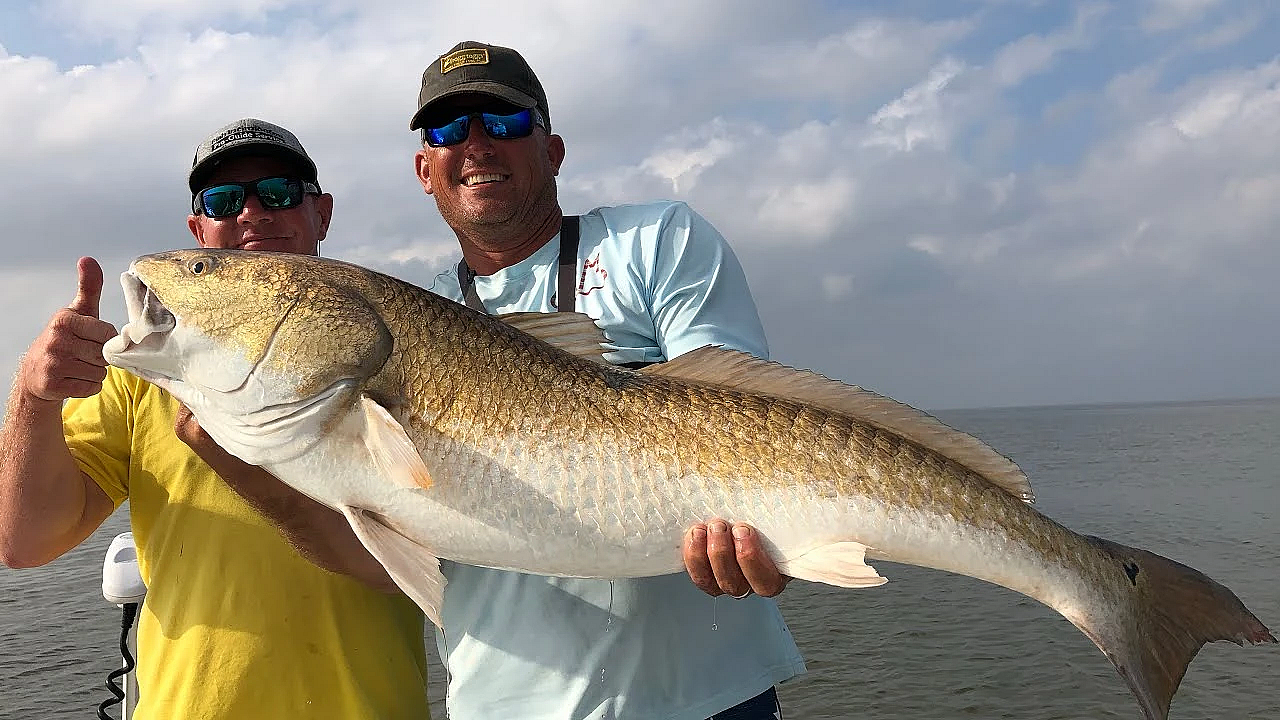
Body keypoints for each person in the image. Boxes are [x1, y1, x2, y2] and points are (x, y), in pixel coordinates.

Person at [409, 41, 804, 719]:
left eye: (503, 123)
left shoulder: (655, 238)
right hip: (504, 705)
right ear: (425, 168)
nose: (475, 145)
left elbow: (745, 422)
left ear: (553, 151)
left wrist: (773, 533)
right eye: (449, 130)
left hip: (707, 697)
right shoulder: (415, 320)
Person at [0, 119, 430, 719]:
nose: (251, 214)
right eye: (223, 201)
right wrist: (32, 395)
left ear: (321, 213)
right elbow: (23, 541)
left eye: (278, 192)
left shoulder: (401, 350)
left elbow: (414, 567)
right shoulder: (139, 372)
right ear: (197, 230)